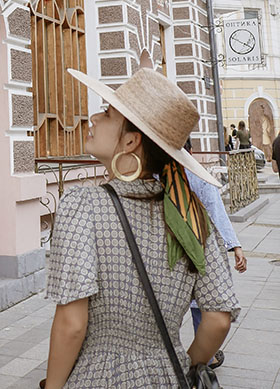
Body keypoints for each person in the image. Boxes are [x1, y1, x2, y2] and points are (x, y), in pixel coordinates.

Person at [43, 68, 239, 389]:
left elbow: (71, 325)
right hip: (169, 374)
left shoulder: (83, 205)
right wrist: (179, 366)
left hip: (98, 376)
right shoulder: (192, 217)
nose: (94, 117)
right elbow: (218, 319)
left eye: (107, 113)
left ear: (131, 141)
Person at [184, 138, 247, 370]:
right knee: (204, 307)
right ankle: (204, 360)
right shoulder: (199, 176)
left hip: (166, 256)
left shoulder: (154, 175)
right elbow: (215, 211)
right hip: (198, 251)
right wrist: (235, 246)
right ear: (191, 151)